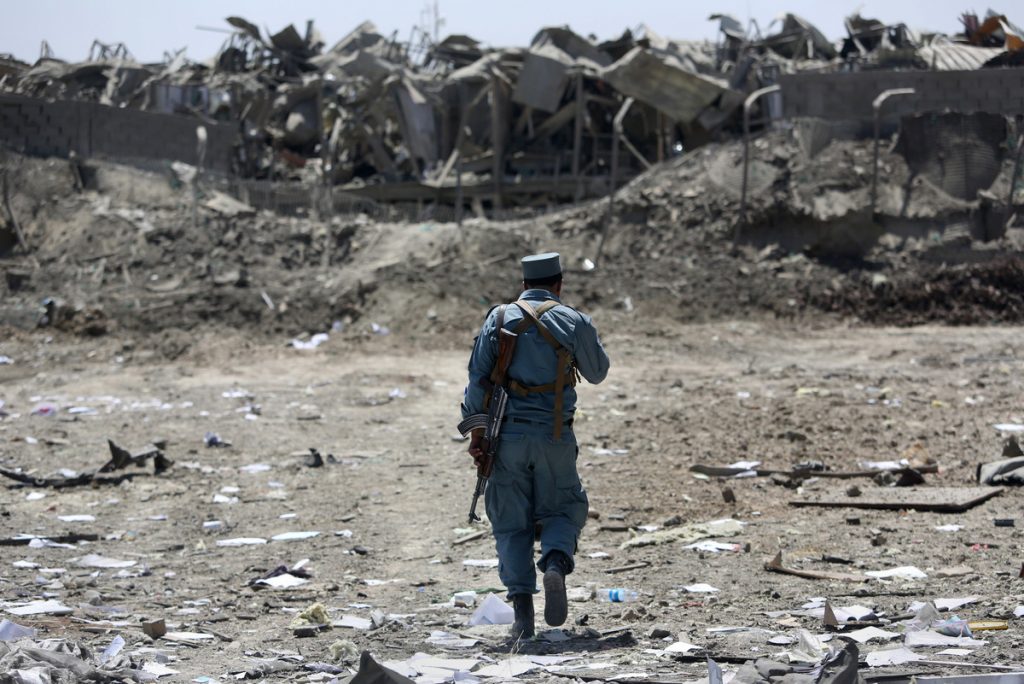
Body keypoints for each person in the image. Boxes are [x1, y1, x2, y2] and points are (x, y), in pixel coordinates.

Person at [461, 252, 610, 639]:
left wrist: (478, 439)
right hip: (555, 437)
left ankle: (523, 614)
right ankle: (556, 564)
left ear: (524, 285)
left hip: (505, 439)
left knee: (510, 522)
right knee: (563, 506)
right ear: (559, 284)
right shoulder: (573, 320)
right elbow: (598, 373)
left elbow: (477, 384)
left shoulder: (498, 319)